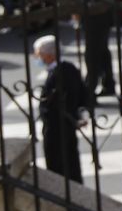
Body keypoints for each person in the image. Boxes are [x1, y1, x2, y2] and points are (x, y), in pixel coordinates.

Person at [34, 35, 89, 182]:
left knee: (58, 169)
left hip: (56, 129)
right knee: (72, 165)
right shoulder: (70, 68)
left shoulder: (57, 74)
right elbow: (83, 95)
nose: (37, 57)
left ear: (49, 55)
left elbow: (50, 106)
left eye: (39, 53)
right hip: (69, 126)